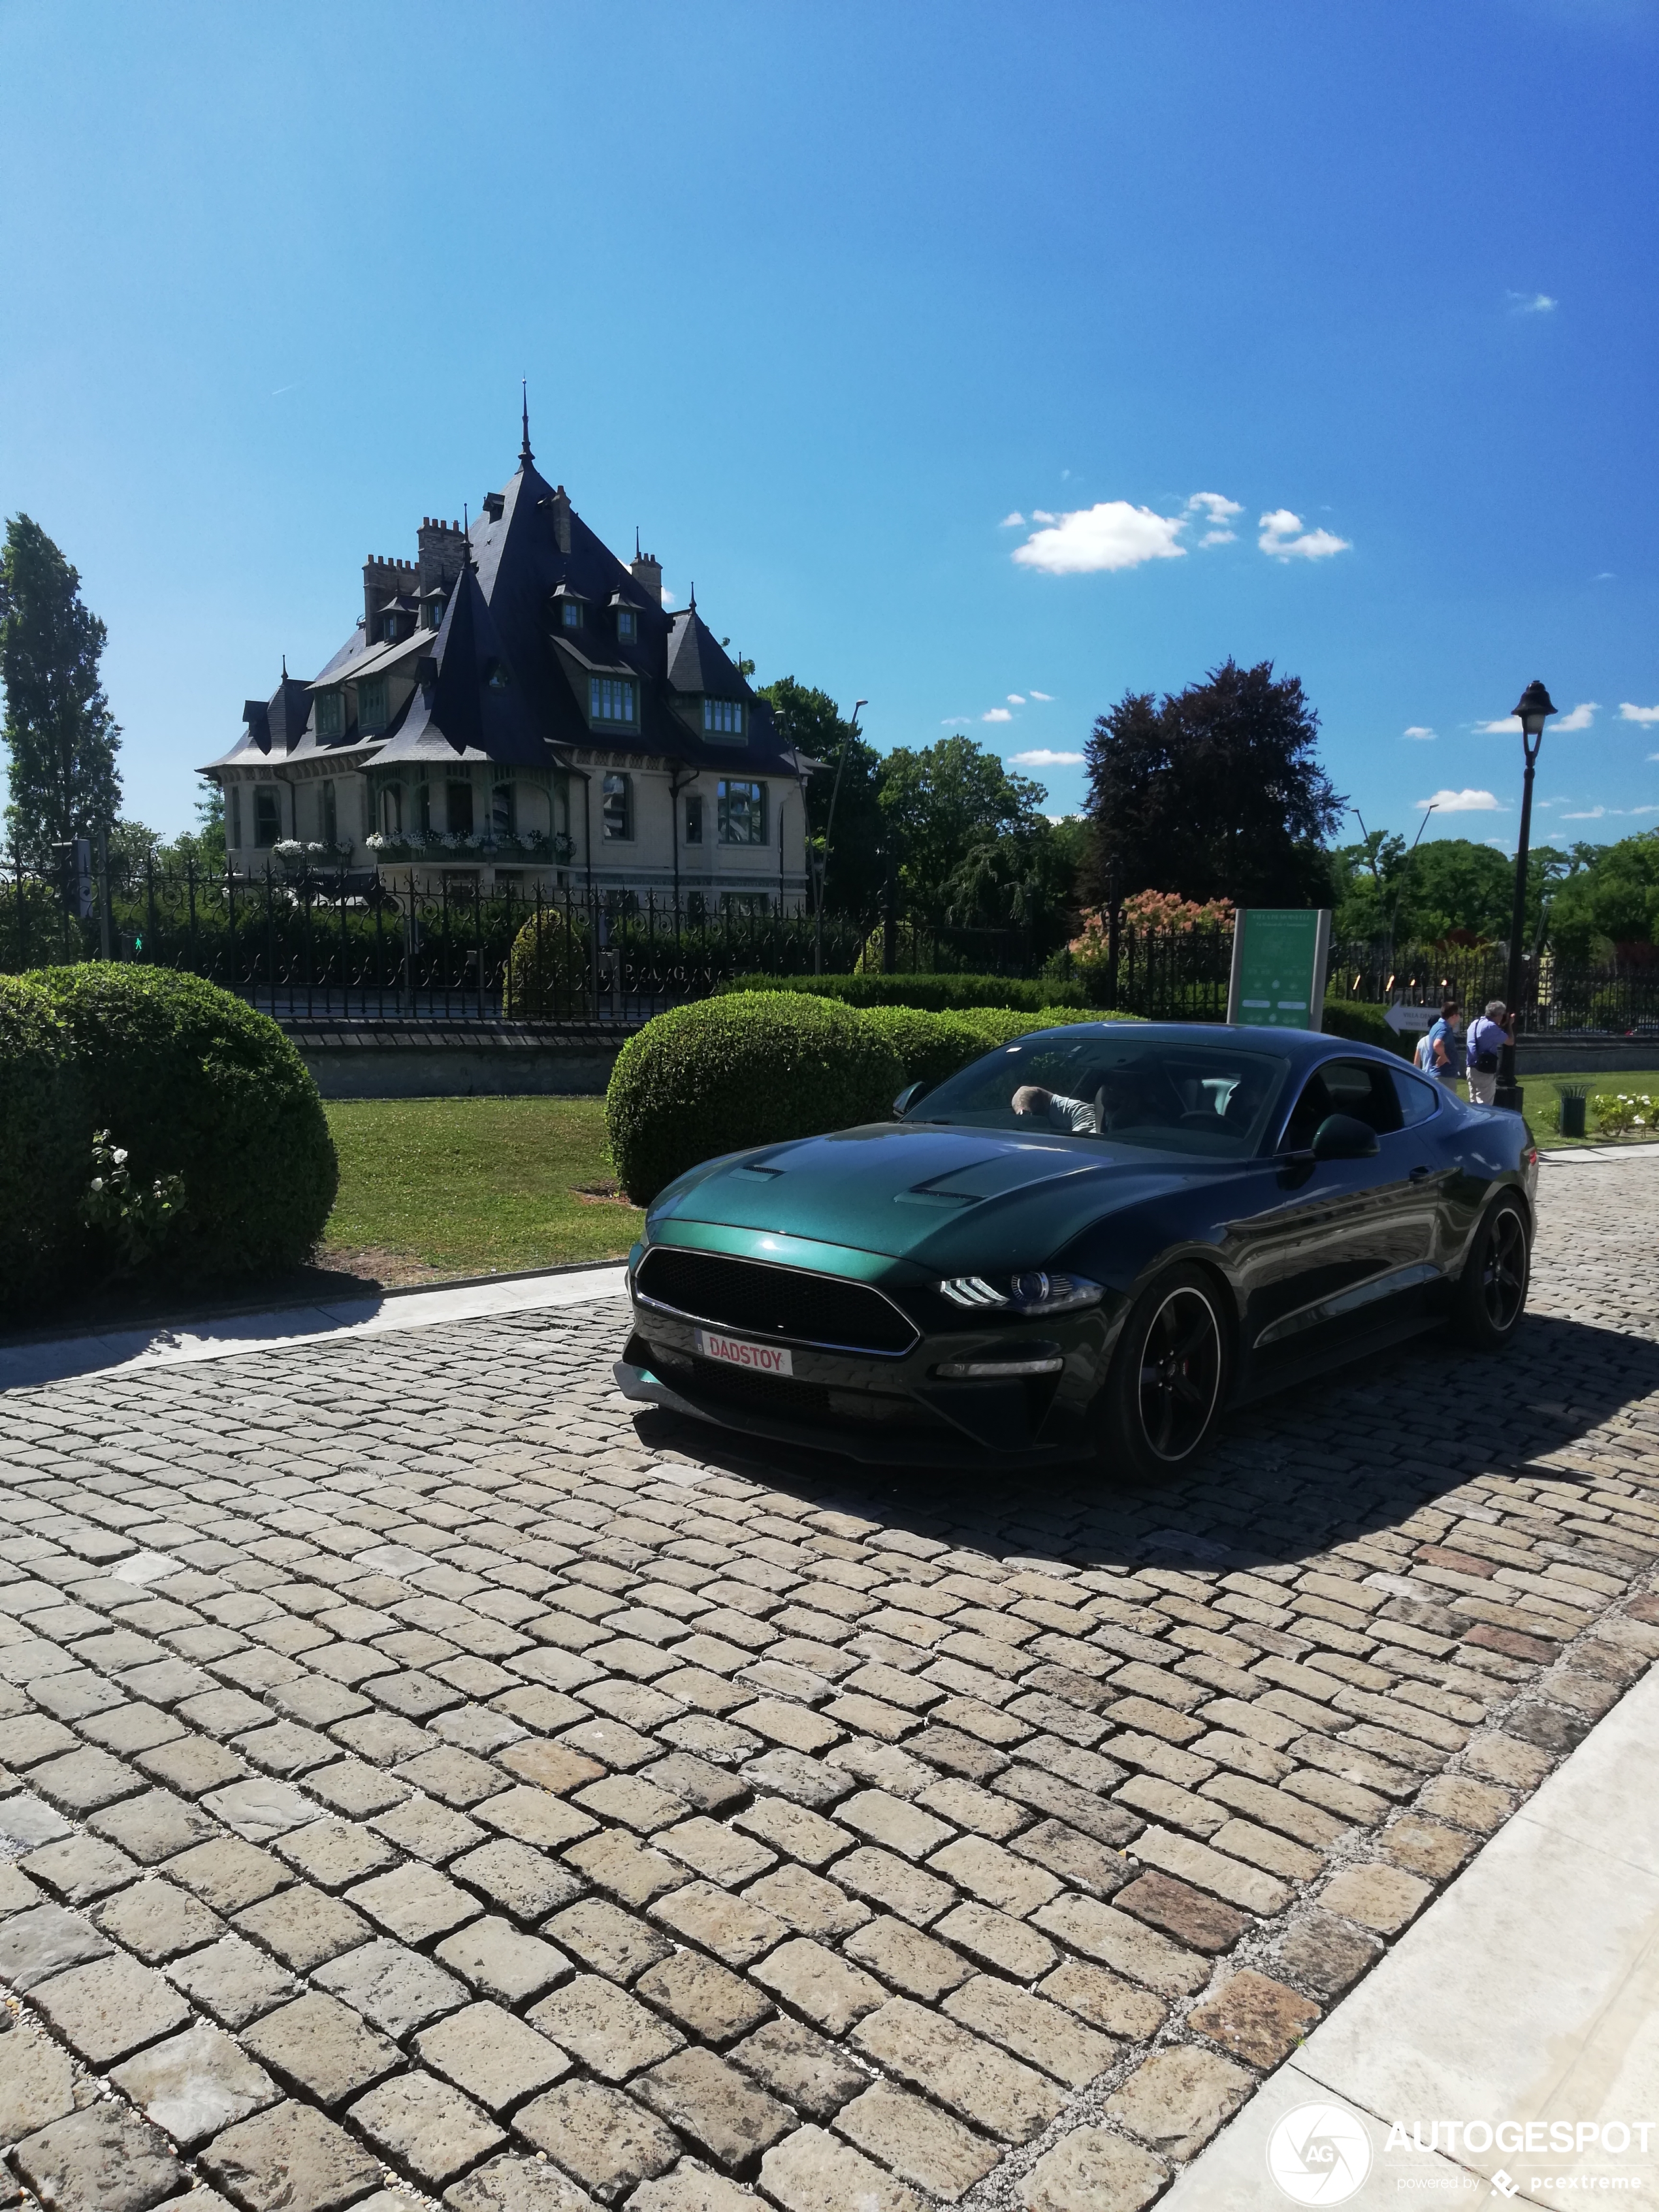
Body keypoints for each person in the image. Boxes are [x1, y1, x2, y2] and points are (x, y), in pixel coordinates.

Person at [1466, 999, 1512, 1108]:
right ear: (1498, 1015)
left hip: (1471, 1068)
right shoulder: (1491, 1027)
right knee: (1485, 1106)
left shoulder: (1474, 1024)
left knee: (1473, 1104)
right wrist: (1509, 1025)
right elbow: (1510, 1041)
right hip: (1484, 1071)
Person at [1424, 998, 1464, 1089]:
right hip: (1445, 1077)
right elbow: (1437, 1045)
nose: (1460, 1017)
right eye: (1459, 1014)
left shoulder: (1437, 1026)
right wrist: (1443, 1057)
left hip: (1439, 1075)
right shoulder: (1445, 1029)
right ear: (1454, 1016)